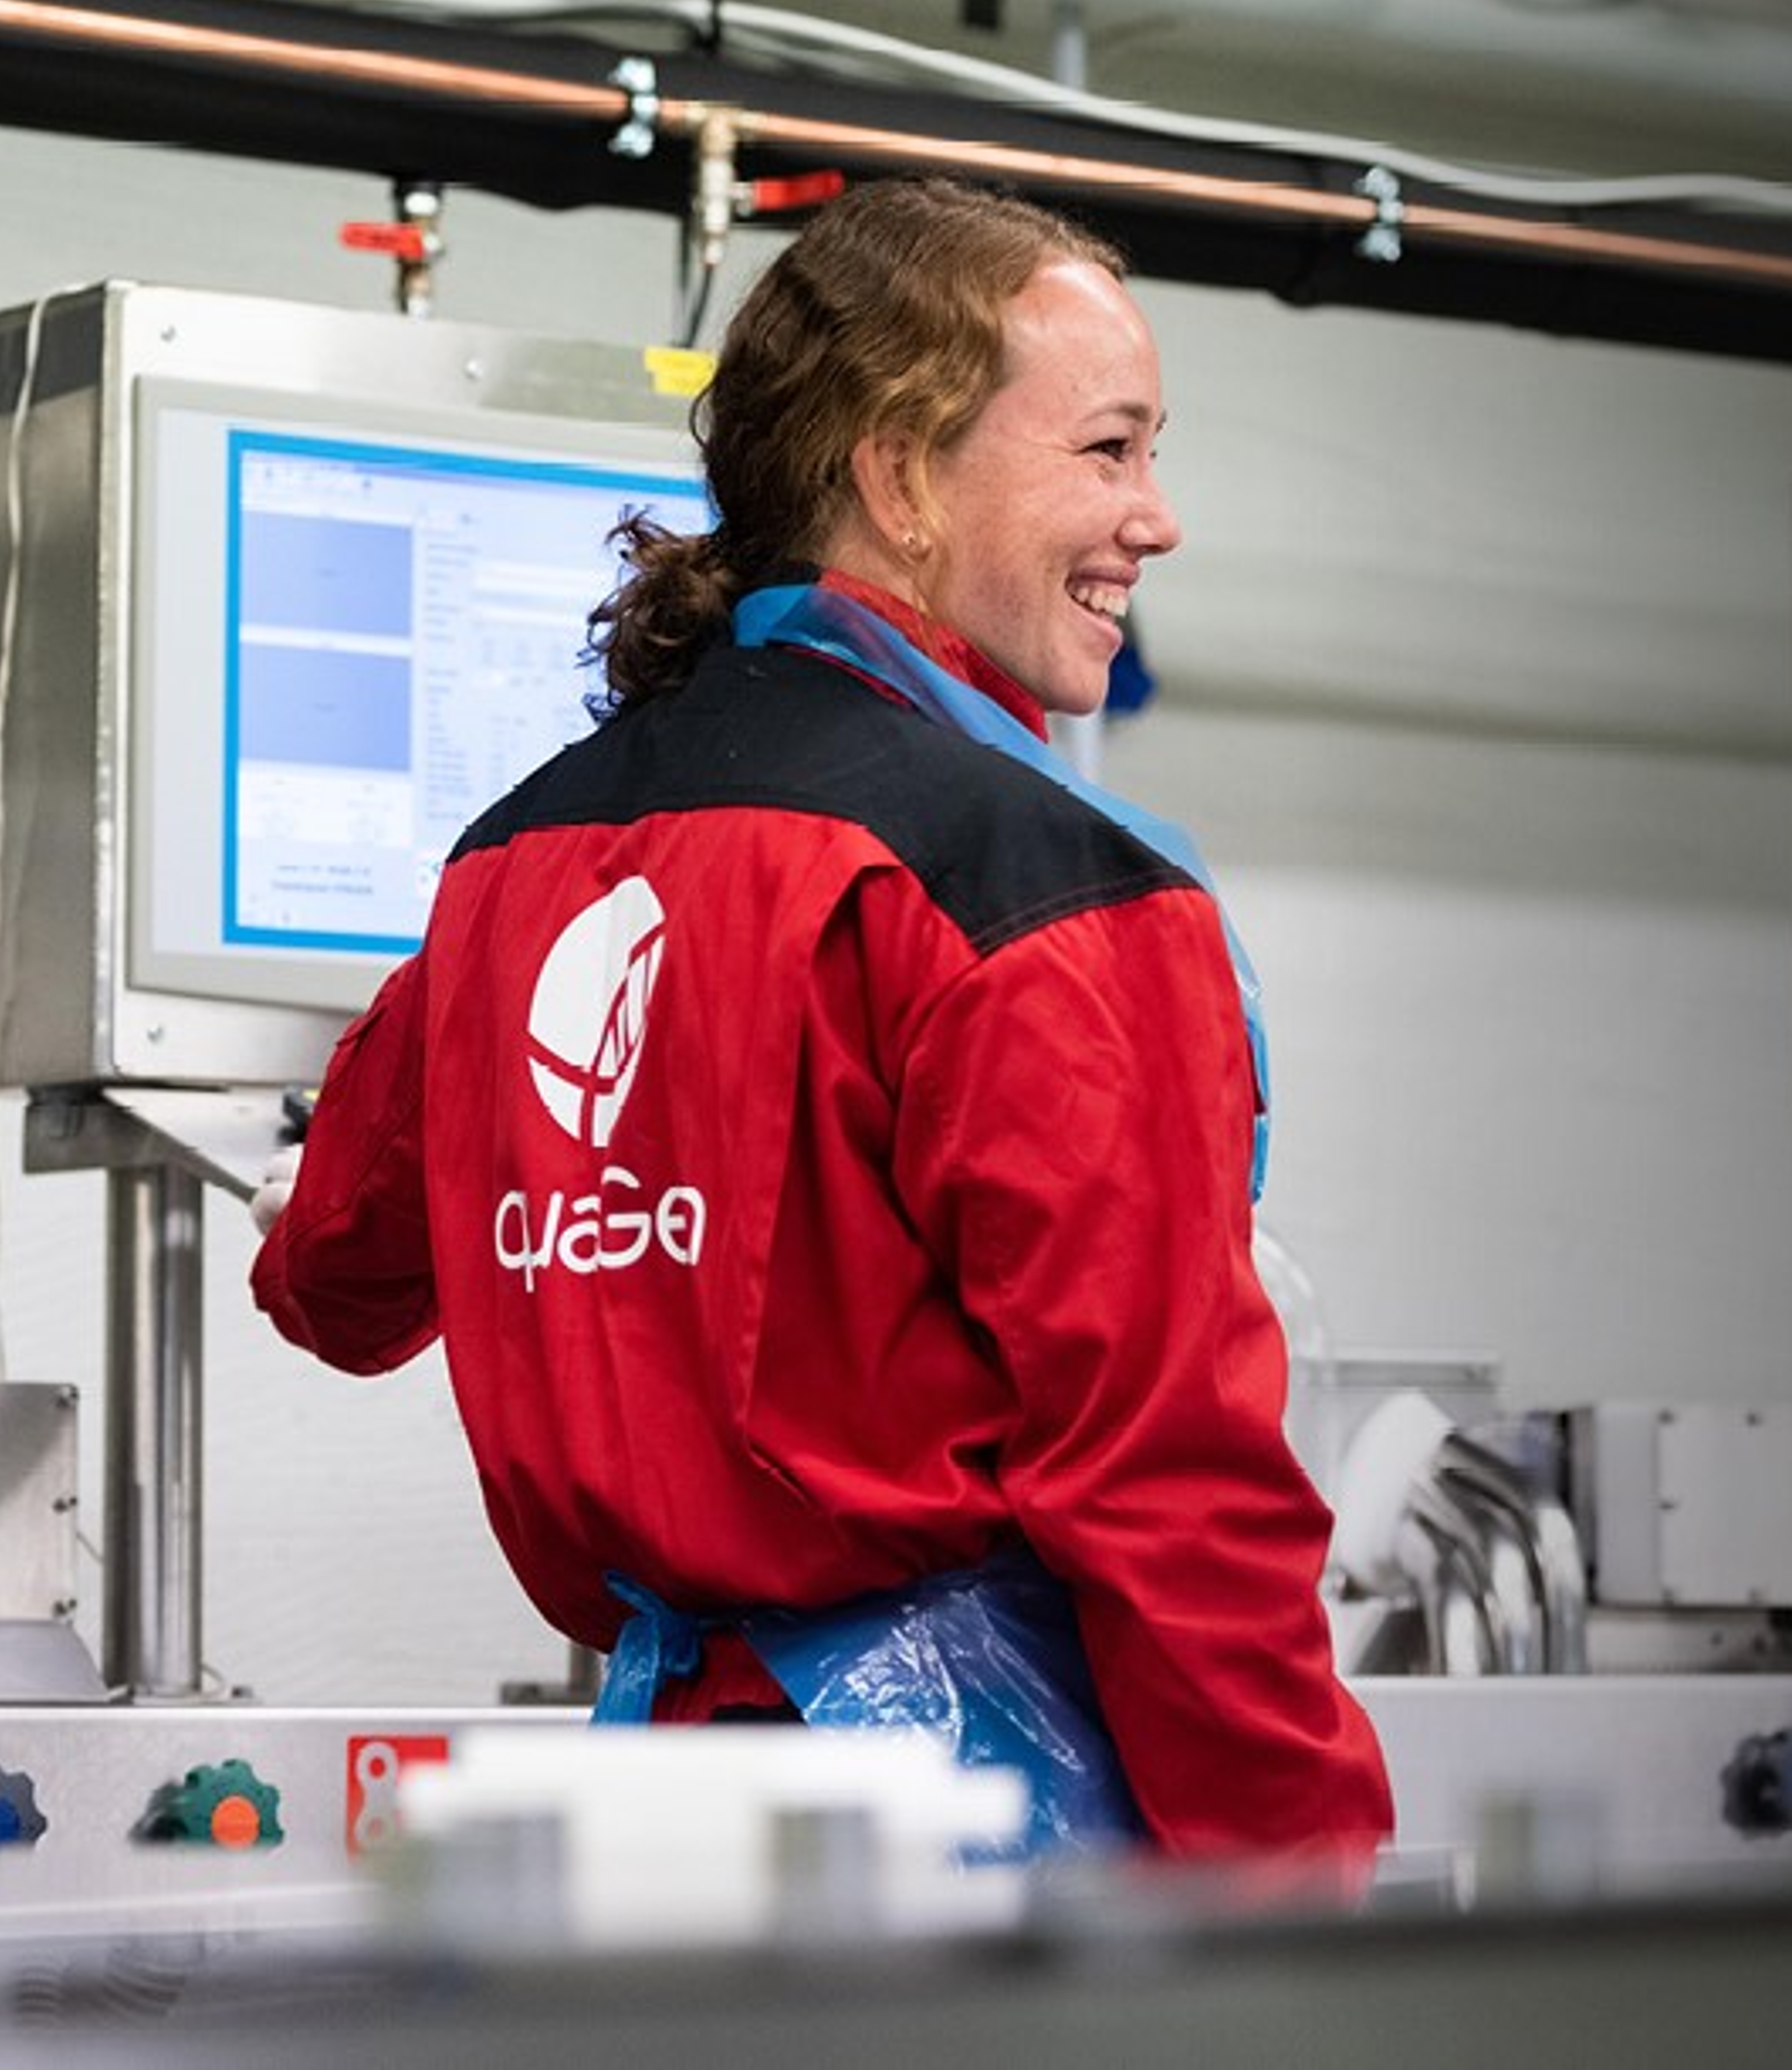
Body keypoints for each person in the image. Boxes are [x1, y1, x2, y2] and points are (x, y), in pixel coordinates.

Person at [251, 176, 1392, 1870]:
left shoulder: (509, 863)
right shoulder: (1043, 891)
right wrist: (1310, 1899)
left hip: (659, 1837)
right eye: (1109, 451)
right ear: (901, 476)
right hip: (975, 1855)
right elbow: (1166, 1484)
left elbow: (332, 1284)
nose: (1156, 519)